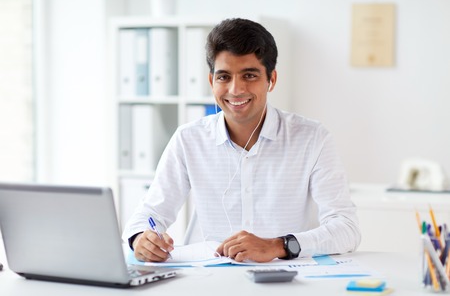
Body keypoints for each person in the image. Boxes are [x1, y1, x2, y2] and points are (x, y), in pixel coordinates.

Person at [122, 18, 361, 263]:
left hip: (285, 281)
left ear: (272, 80)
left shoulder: (312, 138)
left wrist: (278, 245)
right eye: (224, 77)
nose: (235, 89)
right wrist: (141, 238)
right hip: (206, 279)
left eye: (249, 75)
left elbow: (346, 229)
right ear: (211, 81)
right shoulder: (188, 139)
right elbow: (148, 214)